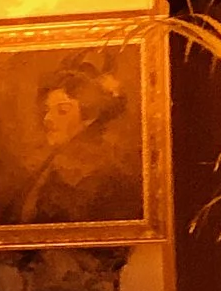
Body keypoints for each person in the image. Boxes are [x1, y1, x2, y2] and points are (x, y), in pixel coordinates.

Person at [9, 59, 139, 227]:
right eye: (47, 110)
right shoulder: (52, 163)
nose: (47, 118)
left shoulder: (99, 174)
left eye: (62, 110)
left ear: (89, 117)